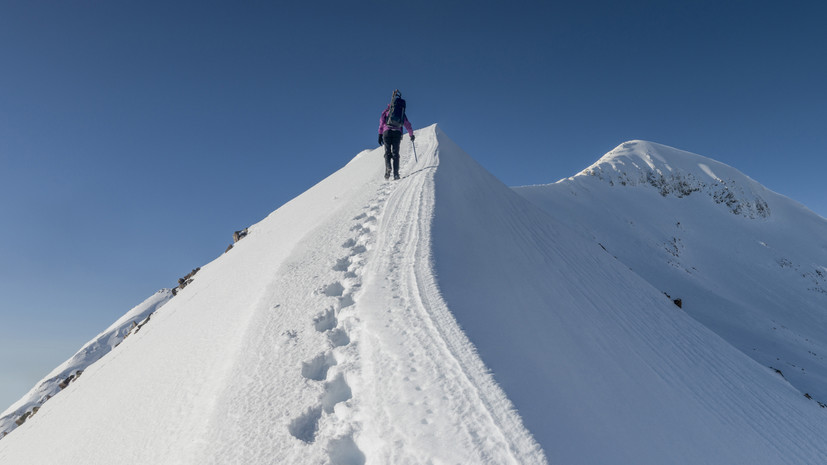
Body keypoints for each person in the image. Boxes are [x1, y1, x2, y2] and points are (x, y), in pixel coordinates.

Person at [378, 91, 414, 180]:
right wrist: (411, 135)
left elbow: (382, 123)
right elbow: (407, 124)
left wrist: (380, 134)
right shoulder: (401, 113)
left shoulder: (386, 111)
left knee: (387, 152)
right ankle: (396, 174)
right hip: (397, 133)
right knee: (395, 153)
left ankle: (388, 169)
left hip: (387, 132)